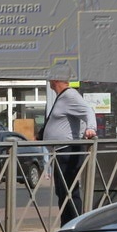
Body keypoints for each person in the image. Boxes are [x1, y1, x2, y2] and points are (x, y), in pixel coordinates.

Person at [39, 76, 98, 224]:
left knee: (69, 190)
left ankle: (76, 224)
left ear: (56, 80)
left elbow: (88, 111)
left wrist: (91, 128)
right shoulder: (61, 97)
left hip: (68, 151)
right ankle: (67, 225)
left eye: (50, 78)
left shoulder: (70, 95)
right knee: (62, 191)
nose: (48, 80)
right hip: (60, 152)